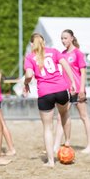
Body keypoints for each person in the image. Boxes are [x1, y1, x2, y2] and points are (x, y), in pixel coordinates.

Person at [23, 33, 76, 167]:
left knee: (47, 128)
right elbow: (66, 66)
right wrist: (73, 82)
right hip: (61, 89)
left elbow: (29, 75)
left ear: (31, 45)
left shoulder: (29, 57)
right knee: (64, 114)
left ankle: (51, 161)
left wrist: (26, 83)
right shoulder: (54, 52)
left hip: (45, 93)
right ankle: (67, 141)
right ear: (44, 42)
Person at [53, 29, 90, 154]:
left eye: (65, 38)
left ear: (71, 38)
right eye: (62, 38)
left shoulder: (78, 53)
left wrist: (81, 89)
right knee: (61, 117)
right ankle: (56, 145)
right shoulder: (62, 54)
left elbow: (83, 72)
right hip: (66, 90)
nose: (63, 40)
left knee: (84, 116)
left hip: (78, 90)